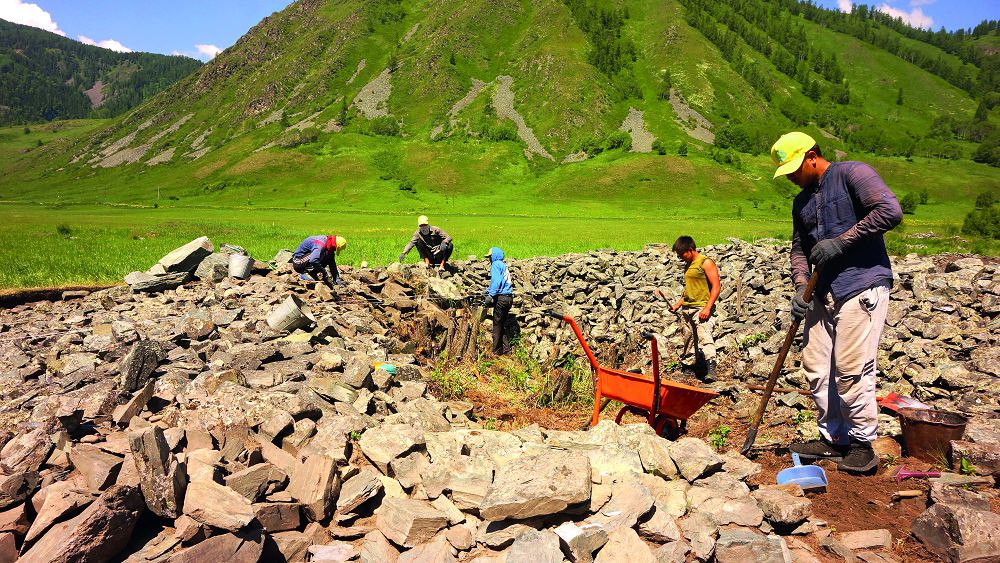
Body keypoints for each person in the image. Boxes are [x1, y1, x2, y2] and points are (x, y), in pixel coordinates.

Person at [771, 131, 902, 474]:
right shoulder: (800, 202)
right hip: (822, 290)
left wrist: (841, 242)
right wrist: (801, 288)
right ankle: (833, 438)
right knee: (816, 365)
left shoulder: (851, 174)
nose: (791, 177)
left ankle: (862, 443)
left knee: (850, 368)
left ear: (812, 156)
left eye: (795, 169)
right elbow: (799, 250)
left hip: (861, 283)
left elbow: (889, 211)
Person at [667, 236, 720, 378]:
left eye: (681, 254)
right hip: (687, 308)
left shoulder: (705, 262)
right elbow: (689, 289)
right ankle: (689, 367)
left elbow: (716, 286)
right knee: (688, 338)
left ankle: (711, 369)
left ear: (690, 249)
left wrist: (708, 308)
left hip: (701, 307)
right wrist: (678, 304)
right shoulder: (688, 264)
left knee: (704, 336)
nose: (680, 258)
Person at [484, 247, 514, 355]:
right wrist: (488, 290)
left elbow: (496, 281)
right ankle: (506, 350)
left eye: (490, 257)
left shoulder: (495, 264)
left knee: (496, 324)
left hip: (501, 298)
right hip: (509, 297)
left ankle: (496, 351)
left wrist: (490, 296)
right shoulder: (502, 265)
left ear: (494, 256)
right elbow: (502, 281)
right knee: (502, 323)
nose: (489, 259)